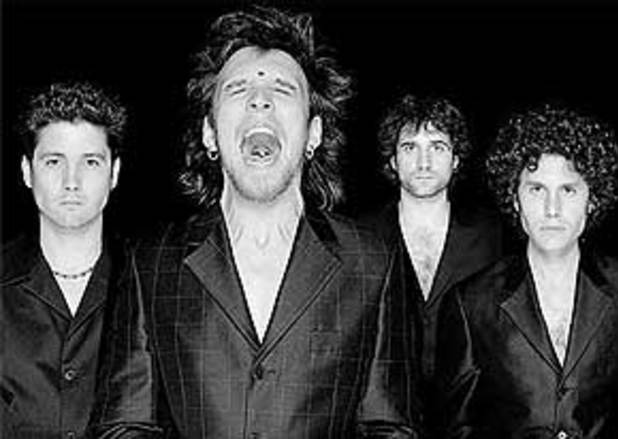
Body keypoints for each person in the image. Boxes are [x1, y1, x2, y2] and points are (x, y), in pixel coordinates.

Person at [91, 6, 420, 438]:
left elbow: (390, 427)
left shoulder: (374, 260)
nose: (259, 100)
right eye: (238, 88)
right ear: (210, 134)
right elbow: (123, 426)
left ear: (313, 134)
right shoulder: (150, 260)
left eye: (282, 89)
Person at [435, 103, 618, 438]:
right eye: (536, 189)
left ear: (592, 199)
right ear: (515, 199)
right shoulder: (470, 303)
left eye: (568, 190)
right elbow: (456, 428)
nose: (552, 209)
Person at [366, 94, 503, 431]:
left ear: (456, 159)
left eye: (438, 147)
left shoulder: (494, 235)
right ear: (393, 160)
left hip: (473, 421)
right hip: (381, 422)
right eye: (410, 147)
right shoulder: (361, 237)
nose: (424, 162)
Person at [1, 81, 127, 438]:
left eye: (91, 162)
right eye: (54, 161)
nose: (72, 181)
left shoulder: (150, 282)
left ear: (114, 173)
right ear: (27, 171)